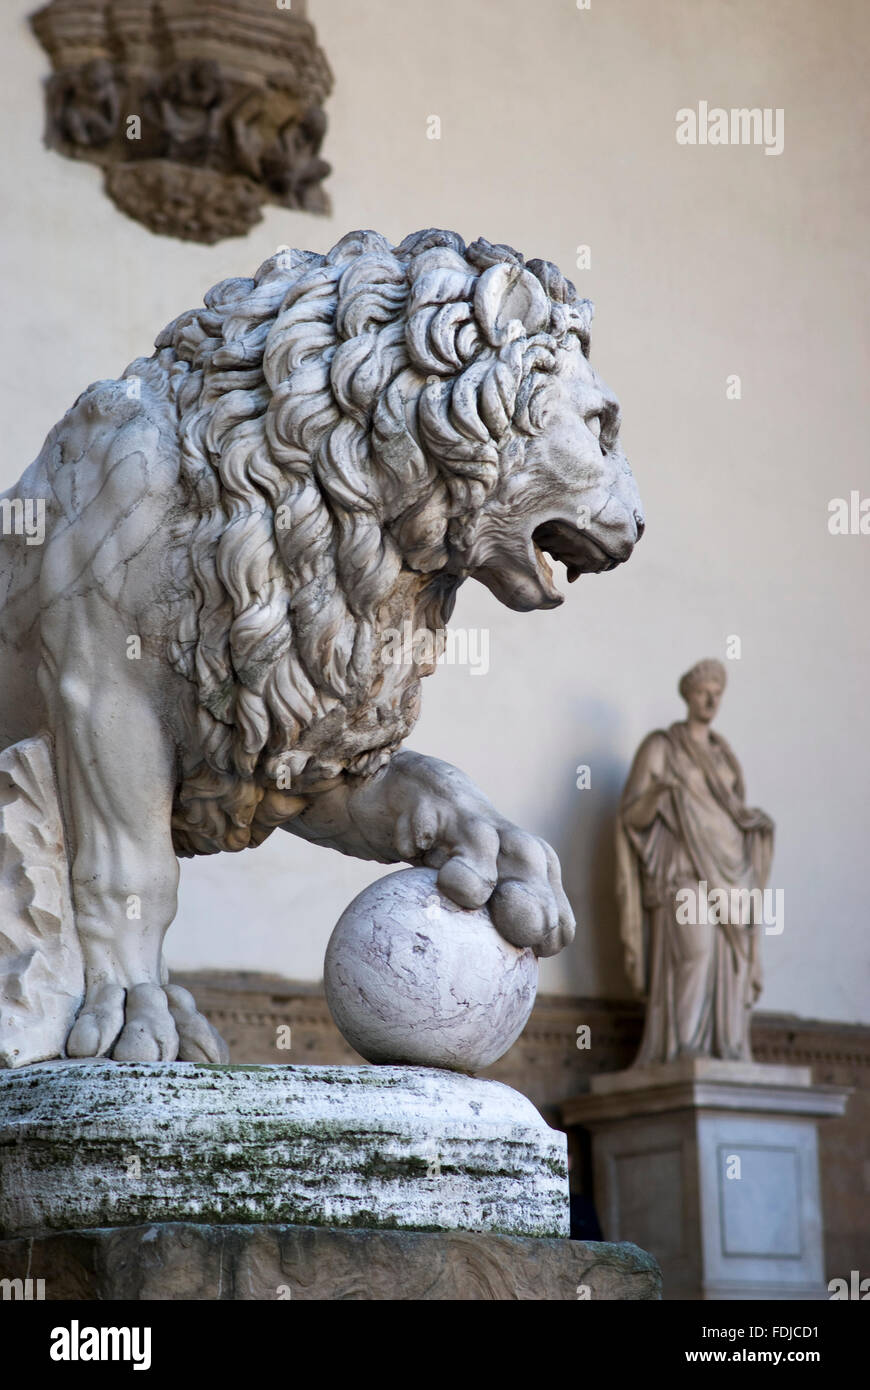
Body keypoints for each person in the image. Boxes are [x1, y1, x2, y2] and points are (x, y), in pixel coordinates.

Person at [615, 659, 774, 1063]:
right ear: (689, 695)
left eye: (718, 693)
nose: (711, 699)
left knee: (732, 963)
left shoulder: (724, 755)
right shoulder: (662, 747)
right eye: (704, 691)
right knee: (696, 952)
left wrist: (753, 824)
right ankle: (683, 1046)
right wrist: (660, 792)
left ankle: (728, 1046)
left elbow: (731, 812)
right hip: (684, 873)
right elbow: (632, 815)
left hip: (731, 871)